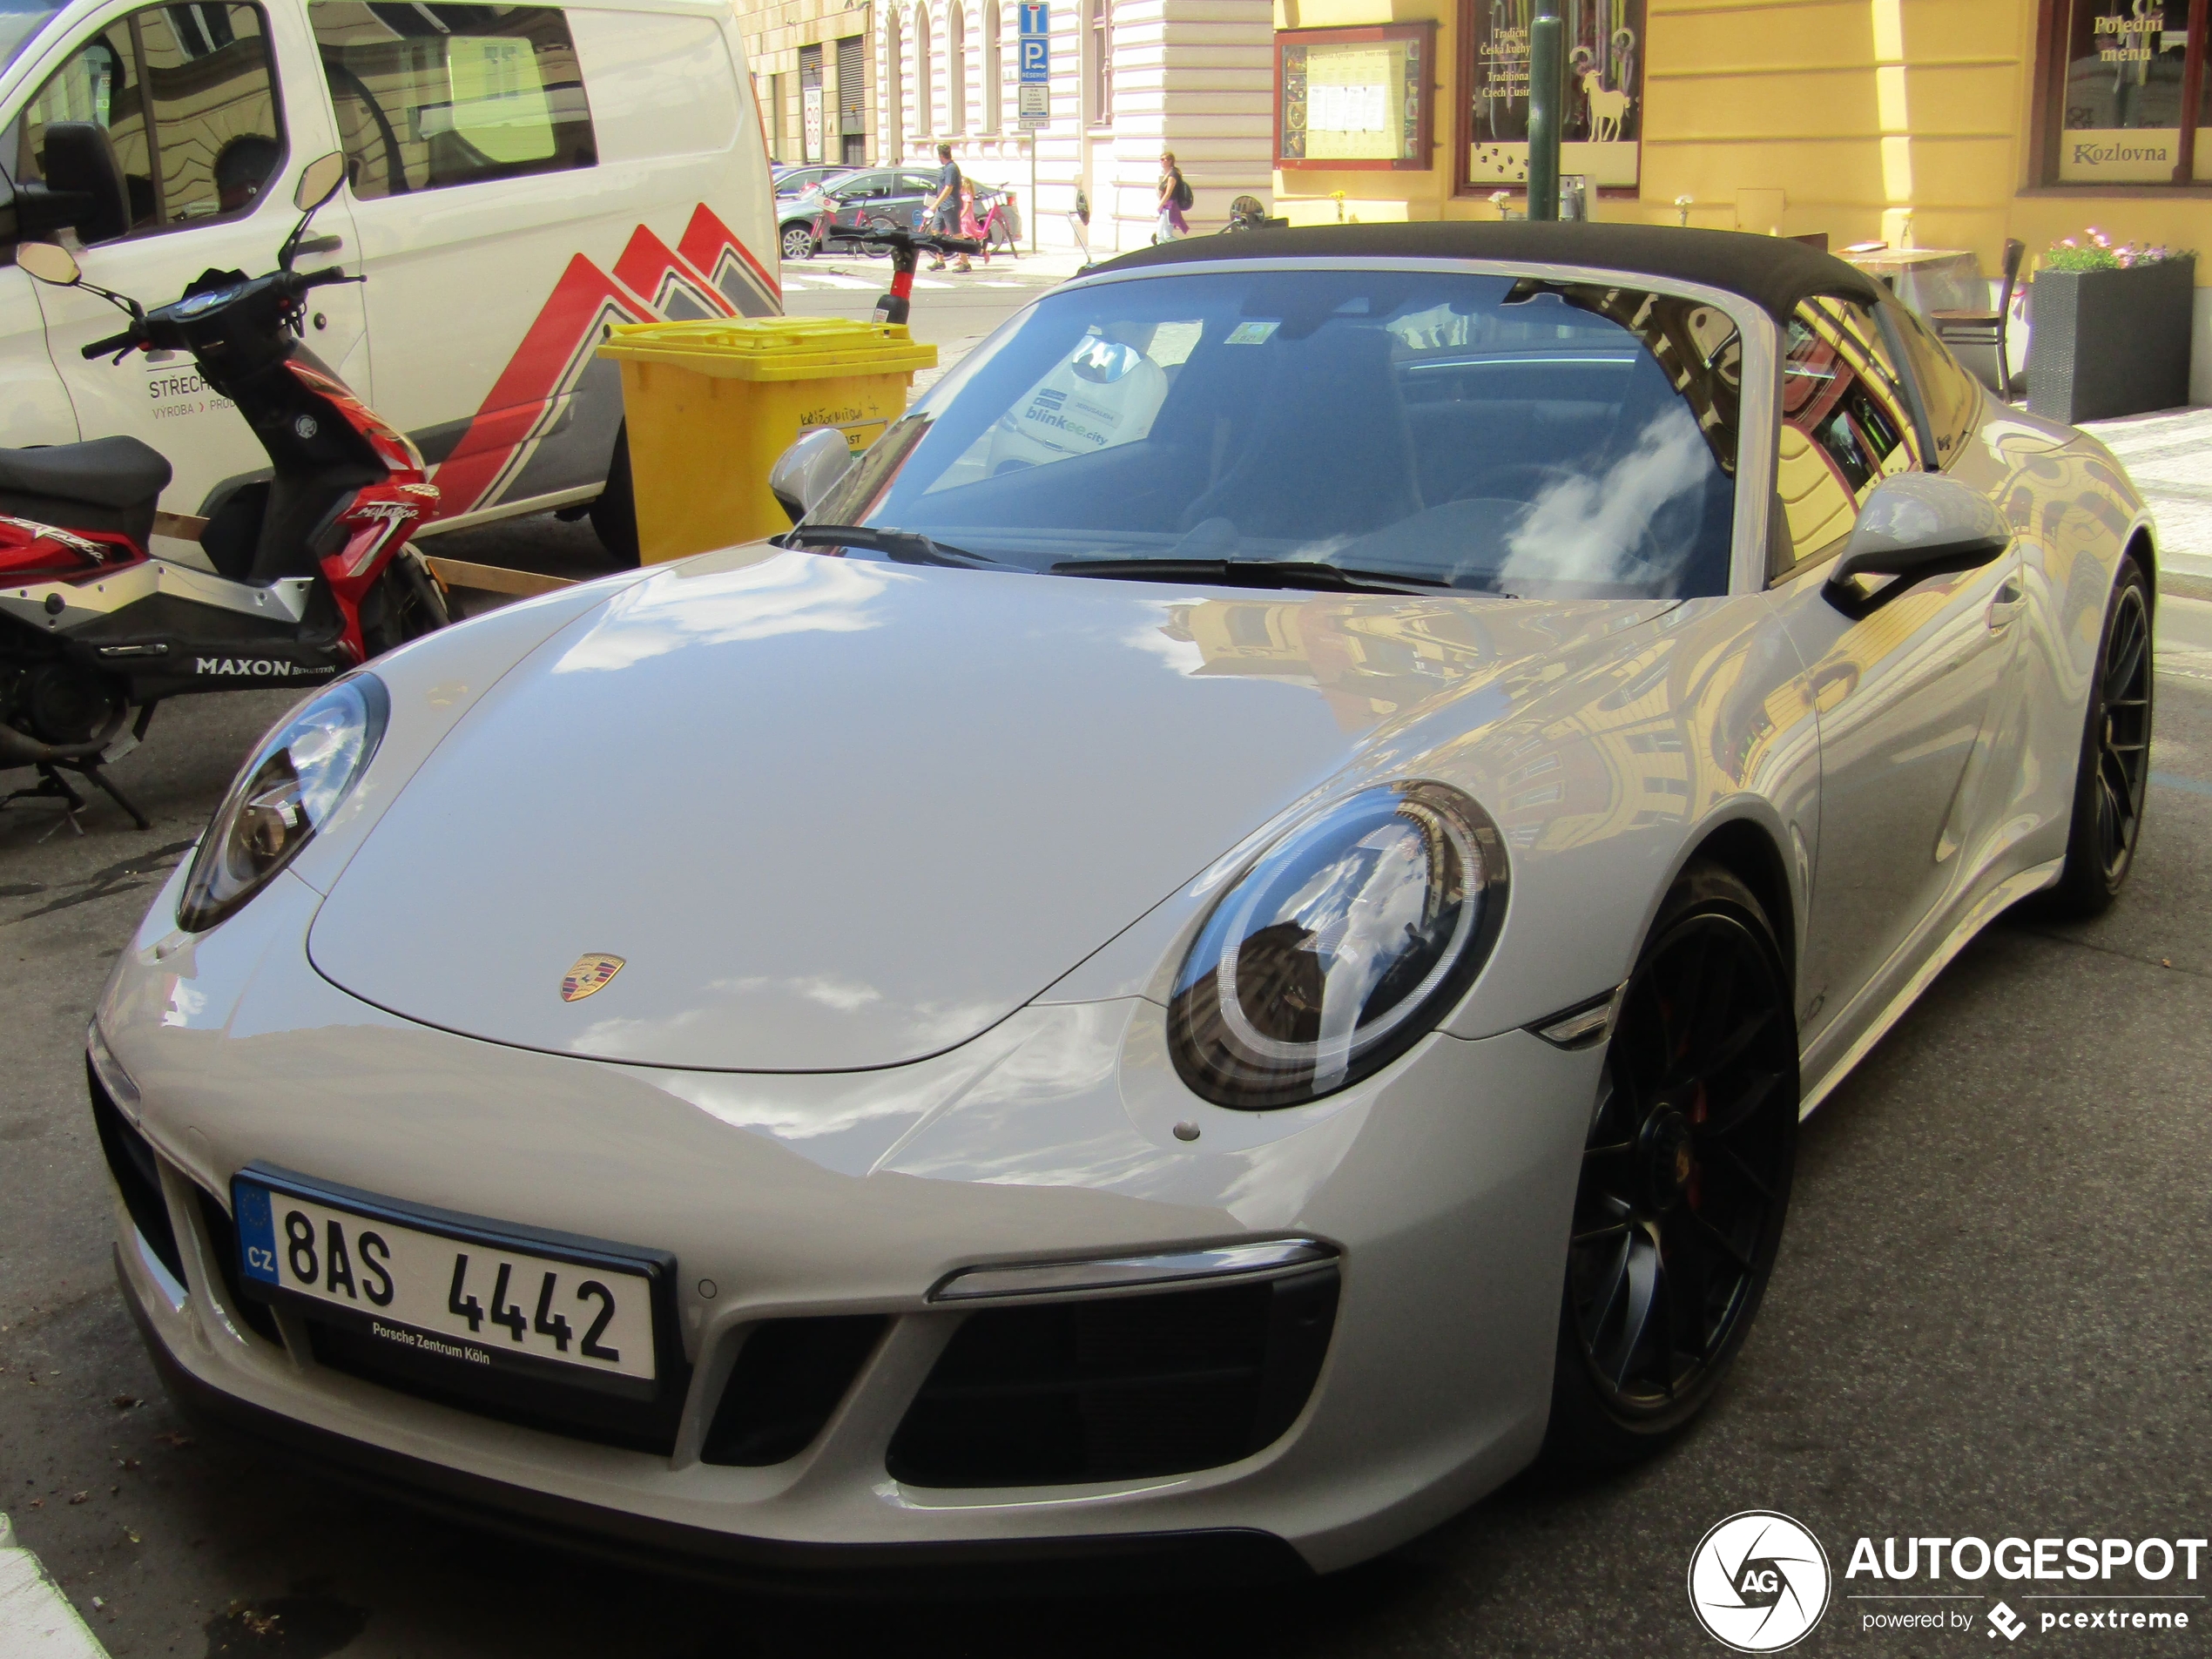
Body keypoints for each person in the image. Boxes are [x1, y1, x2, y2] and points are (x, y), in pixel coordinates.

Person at [926, 142, 972, 273]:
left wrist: (934, 205)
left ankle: (965, 263)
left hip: (950, 205)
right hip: (942, 206)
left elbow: (948, 188)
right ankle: (940, 261)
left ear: (941, 155)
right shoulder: (946, 168)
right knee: (936, 230)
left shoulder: (951, 168)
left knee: (956, 234)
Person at [1156, 151, 1191, 243]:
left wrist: (1160, 205)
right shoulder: (1166, 174)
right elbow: (1161, 190)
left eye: (1165, 159)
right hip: (1165, 207)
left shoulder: (1173, 175)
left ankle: (1182, 248)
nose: (1162, 161)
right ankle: (1163, 254)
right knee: (1160, 236)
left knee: (1167, 236)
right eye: (1161, 159)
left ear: (1170, 161)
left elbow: (1168, 193)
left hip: (1170, 207)